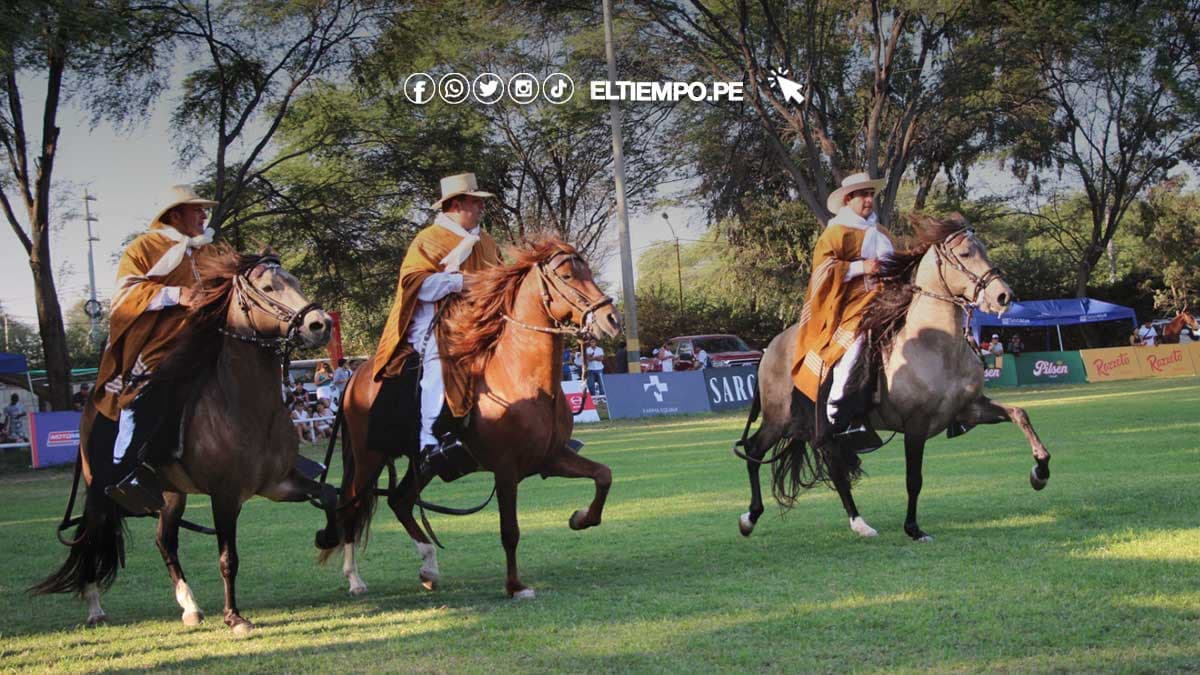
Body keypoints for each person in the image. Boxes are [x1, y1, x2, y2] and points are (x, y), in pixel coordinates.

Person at [93, 185, 220, 514]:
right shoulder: (144, 247)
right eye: (197, 209)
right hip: (158, 346)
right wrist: (177, 295)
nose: (204, 215)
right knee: (148, 394)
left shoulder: (210, 251)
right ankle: (126, 474)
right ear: (175, 215)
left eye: (204, 210)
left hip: (206, 341)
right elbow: (124, 294)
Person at [370, 173, 502, 480]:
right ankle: (428, 441)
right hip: (434, 324)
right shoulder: (428, 239)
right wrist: (459, 282)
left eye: (481, 203)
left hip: (480, 322)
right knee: (439, 361)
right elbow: (414, 284)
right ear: (455, 205)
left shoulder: (486, 241)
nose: (481, 208)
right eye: (475, 202)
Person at [790, 172, 895, 451]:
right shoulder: (836, 232)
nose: (870, 200)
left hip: (887, 299)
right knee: (855, 344)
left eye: (872, 195)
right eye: (864, 195)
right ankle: (839, 415)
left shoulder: (881, 232)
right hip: (849, 306)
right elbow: (822, 271)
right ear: (849, 199)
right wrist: (862, 267)